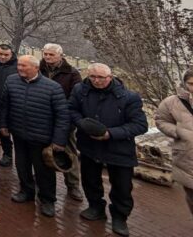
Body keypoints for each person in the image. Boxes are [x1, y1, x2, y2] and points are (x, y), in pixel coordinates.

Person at [69, 63, 148, 236]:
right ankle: (95, 207)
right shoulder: (80, 90)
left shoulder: (129, 97)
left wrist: (110, 134)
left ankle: (120, 217)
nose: (96, 81)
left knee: (122, 186)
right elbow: (72, 110)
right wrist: (82, 124)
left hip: (118, 148)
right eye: (92, 77)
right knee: (90, 180)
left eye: (101, 78)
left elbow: (140, 125)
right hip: (90, 146)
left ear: (110, 77)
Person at [0, 55, 69, 217]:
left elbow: (62, 116)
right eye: (19, 65)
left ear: (36, 68)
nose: (20, 68)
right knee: (22, 166)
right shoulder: (11, 81)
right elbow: (4, 106)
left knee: (43, 171)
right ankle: (26, 191)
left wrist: (59, 140)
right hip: (19, 134)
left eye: (24, 66)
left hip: (41, 137)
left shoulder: (53, 88)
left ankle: (47, 200)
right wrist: (3, 124)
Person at [40, 43, 84, 201]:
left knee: (69, 152)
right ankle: (42, 182)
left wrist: (66, 114)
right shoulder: (39, 69)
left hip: (63, 118)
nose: (47, 57)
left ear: (60, 55)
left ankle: (73, 185)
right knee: (41, 151)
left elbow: (77, 96)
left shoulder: (71, 73)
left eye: (51, 55)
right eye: (45, 54)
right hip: (42, 117)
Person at [156, 69, 193, 218]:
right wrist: (177, 131)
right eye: (191, 83)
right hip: (187, 157)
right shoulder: (172, 102)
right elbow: (160, 120)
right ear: (185, 83)